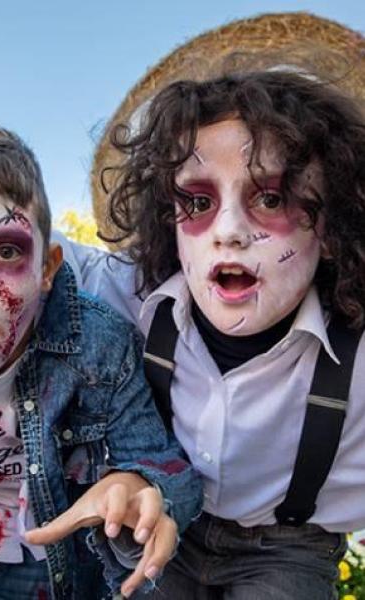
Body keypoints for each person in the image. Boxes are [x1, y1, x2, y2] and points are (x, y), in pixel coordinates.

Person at [48, 68, 365, 599]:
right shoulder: (134, 298)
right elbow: (22, 246)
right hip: (165, 521)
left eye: (270, 198)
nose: (228, 232)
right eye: (197, 202)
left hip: (288, 549)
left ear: (331, 230)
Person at [0, 122, 202, 600]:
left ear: (47, 268)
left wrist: (143, 487)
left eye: (6, 251)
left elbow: (164, 463)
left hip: (42, 552)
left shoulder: (99, 344)